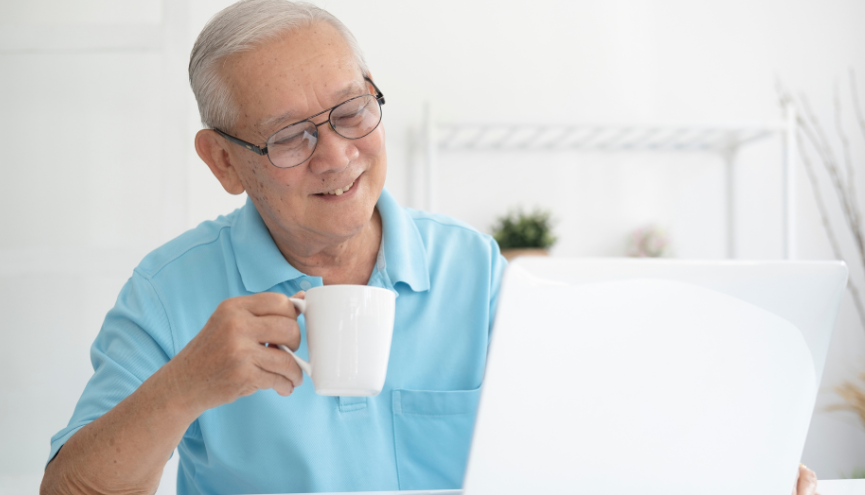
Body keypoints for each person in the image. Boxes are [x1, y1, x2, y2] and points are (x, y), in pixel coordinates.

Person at [40, 1, 820, 494]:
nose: (337, 154)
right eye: (288, 137)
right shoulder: (169, 290)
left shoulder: (475, 271)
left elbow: (592, 448)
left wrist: (734, 473)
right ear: (222, 160)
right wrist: (184, 388)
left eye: (351, 111)